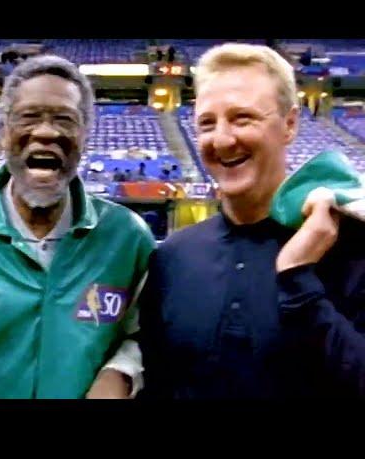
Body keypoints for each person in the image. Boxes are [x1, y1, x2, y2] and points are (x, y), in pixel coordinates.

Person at [139, 43, 365, 398]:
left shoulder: (351, 244)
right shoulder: (172, 258)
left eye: (242, 118)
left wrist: (298, 281)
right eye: (207, 123)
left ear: (289, 124)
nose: (223, 139)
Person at [0, 55, 155, 399]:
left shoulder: (127, 237)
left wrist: (121, 373)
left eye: (65, 119)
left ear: (84, 136)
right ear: (5, 132)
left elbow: (143, 334)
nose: (46, 132)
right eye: (29, 117)